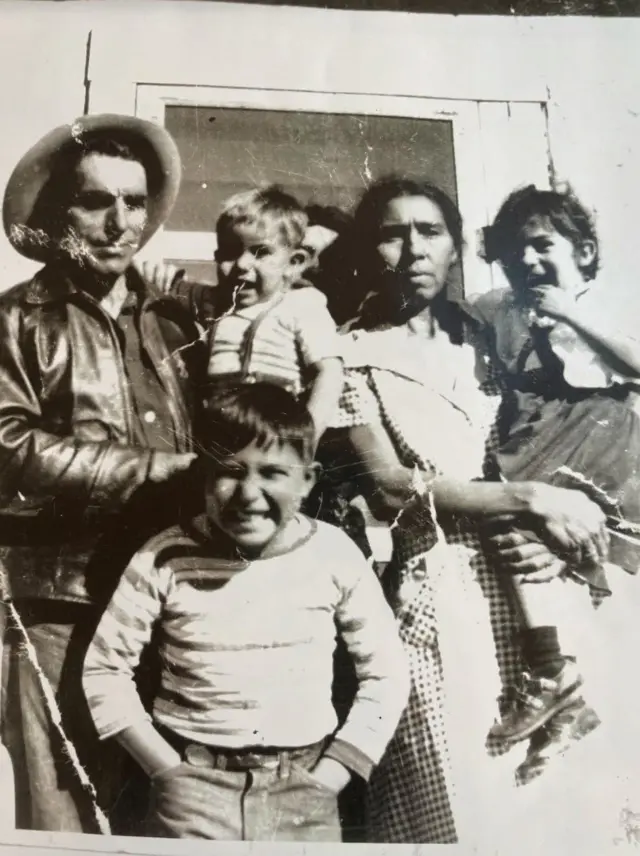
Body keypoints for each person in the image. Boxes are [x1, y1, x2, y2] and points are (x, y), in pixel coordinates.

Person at [323, 175, 611, 843]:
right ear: (371, 250)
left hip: (536, 581)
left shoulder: (494, 336)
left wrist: (565, 514)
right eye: (392, 234)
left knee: (554, 802)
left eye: (429, 232)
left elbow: (571, 424)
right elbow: (392, 486)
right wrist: (530, 497)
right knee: (454, 785)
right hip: (438, 584)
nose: (413, 249)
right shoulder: (349, 352)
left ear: (455, 248)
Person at [82, 382, 410, 842]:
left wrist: (332, 776)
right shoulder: (165, 556)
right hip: (190, 792)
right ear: (202, 478)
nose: (248, 493)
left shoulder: (333, 555)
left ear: (308, 479)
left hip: (305, 791)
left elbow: (387, 675)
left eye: (272, 472)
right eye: (229, 471)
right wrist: (167, 770)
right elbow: (104, 669)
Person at [0, 114, 204, 833]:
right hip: (64, 604)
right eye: (97, 202)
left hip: (168, 606)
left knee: (167, 810)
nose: (120, 223)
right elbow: (7, 445)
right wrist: (156, 473)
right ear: (59, 216)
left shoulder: (174, 322)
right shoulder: (17, 318)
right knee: (66, 812)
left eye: (135, 202)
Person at [472, 184, 640, 767]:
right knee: (510, 524)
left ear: (585, 253)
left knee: (525, 521)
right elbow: (463, 314)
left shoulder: (603, 301)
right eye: (515, 251)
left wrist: (575, 314)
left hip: (595, 438)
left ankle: (553, 680)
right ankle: (557, 686)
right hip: (541, 441)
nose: (527, 261)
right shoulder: (503, 306)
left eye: (542, 246)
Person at [146, 187, 344, 444]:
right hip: (219, 431)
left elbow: (329, 373)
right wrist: (152, 274)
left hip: (274, 432)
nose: (241, 264)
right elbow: (166, 284)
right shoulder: (215, 303)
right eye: (230, 252)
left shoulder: (302, 305)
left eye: (260, 252)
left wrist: (306, 440)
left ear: (294, 262)